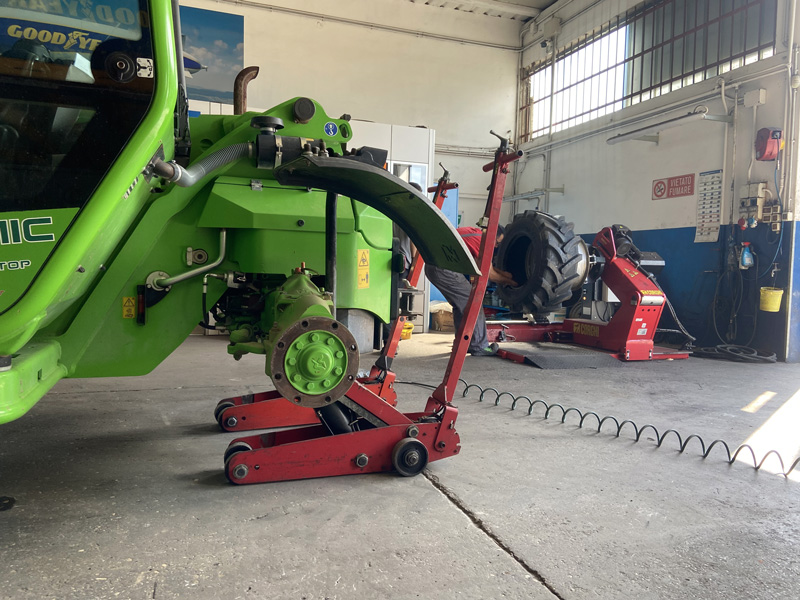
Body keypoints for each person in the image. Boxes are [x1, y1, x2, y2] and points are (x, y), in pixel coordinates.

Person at [425, 224, 516, 356]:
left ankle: (463, 344)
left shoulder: (473, 234)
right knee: (474, 302)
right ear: (491, 236)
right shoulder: (481, 242)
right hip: (444, 269)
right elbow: (490, 274)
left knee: (460, 305)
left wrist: (505, 275)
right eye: (497, 242)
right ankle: (479, 346)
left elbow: (487, 267)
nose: (496, 246)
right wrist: (512, 282)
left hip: (433, 267)